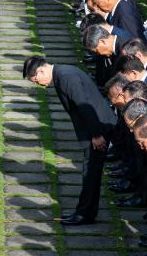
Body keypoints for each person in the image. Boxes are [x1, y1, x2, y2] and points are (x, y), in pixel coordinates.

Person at [23, 56, 117, 225]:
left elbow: (84, 105)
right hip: (94, 127)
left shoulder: (66, 77)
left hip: (97, 128)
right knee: (91, 172)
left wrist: (96, 134)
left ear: (41, 70)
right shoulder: (63, 73)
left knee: (90, 173)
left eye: (36, 80)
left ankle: (84, 214)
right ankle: (85, 212)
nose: (38, 84)